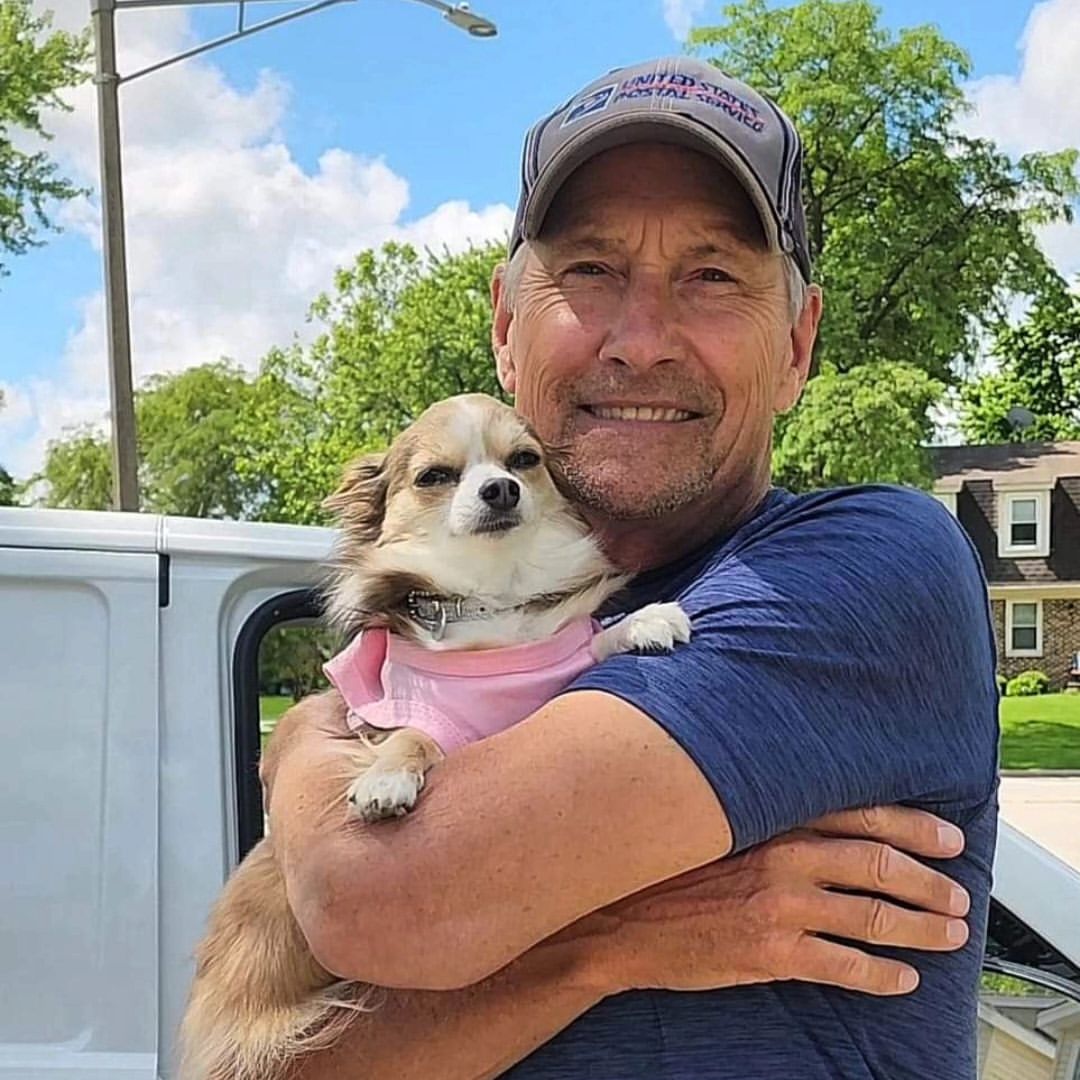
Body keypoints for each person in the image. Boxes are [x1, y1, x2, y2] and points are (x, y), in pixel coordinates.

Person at [260, 57, 999, 1079]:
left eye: (711, 276)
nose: (642, 341)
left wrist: (305, 742)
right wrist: (617, 943)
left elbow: (377, 899)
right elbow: (289, 1066)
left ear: (798, 342)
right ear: (508, 328)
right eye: (592, 272)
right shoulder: (481, 639)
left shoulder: (866, 571)